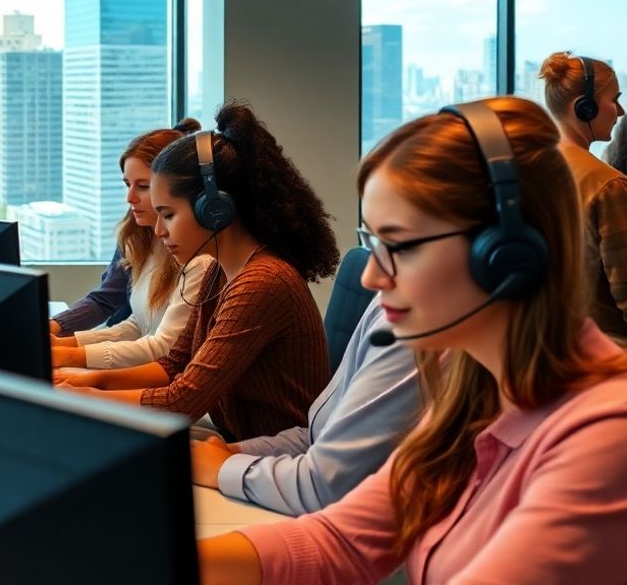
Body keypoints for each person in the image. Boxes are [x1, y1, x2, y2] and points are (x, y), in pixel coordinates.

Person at [199, 97, 627, 584]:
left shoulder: (604, 436)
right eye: (371, 243)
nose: (372, 277)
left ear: (505, 256)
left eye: (398, 246)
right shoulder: (469, 399)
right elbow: (339, 542)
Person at [57, 103, 337, 441]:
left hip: (273, 459)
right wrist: (87, 380)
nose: (159, 230)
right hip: (235, 441)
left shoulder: (261, 283)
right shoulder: (219, 273)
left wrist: (88, 399)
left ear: (214, 210)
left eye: (168, 215)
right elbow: (173, 365)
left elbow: (182, 400)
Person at [189, 296, 420, 515]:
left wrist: (225, 466)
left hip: (314, 498)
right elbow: (315, 437)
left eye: (402, 252)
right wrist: (234, 452)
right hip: (293, 479)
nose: (369, 276)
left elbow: (328, 483)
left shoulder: (412, 323)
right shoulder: (389, 303)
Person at [50, 123, 210, 369]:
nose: (130, 198)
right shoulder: (141, 239)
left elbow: (163, 347)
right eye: (127, 184)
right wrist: (64, 343)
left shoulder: (199, 258)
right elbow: (138, 323)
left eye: (143, 186)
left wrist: (71, 355)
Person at [539, 51, 627, 340]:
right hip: (608, 352)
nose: (621, 111)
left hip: (556, 343)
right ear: (584, 108)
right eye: (614, 100)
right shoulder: (608, 186)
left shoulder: (531, 169)